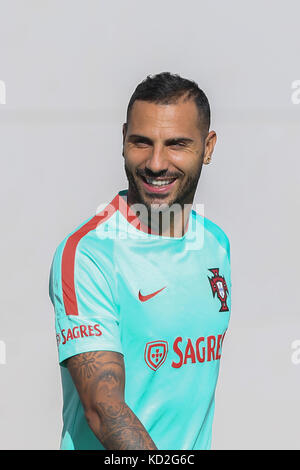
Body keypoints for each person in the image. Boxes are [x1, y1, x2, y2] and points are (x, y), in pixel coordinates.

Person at [49, 72, 231, 450]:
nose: (156, 163)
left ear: (208, 147)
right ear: (123, 141)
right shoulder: (88, 254)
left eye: (177, 144)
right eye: (141, 143)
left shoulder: (216, 245)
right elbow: (104, 409)